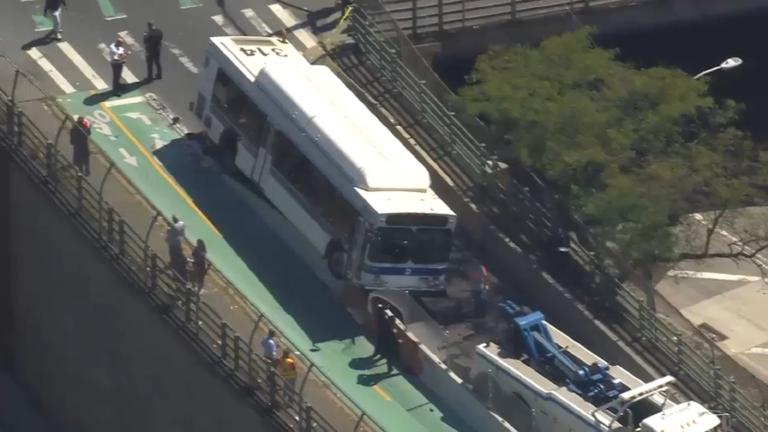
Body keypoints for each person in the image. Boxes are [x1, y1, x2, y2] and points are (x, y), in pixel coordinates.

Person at [371, 304, 396, 373]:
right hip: (387, 338)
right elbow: (392, 321)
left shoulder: (379, 317)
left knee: (379, 346)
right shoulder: (386, 320)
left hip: (383, 334)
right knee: (389, 356)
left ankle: (376, 355)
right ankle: (389, 369)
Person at [166, 216, 187, 282]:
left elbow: (168, 235)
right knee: (178, 256)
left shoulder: (171, 228)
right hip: (177, 243)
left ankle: (174, 271)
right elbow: (182, 234)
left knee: (173, 256)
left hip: (172, 244)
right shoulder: (182, 224)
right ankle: (176, 267)